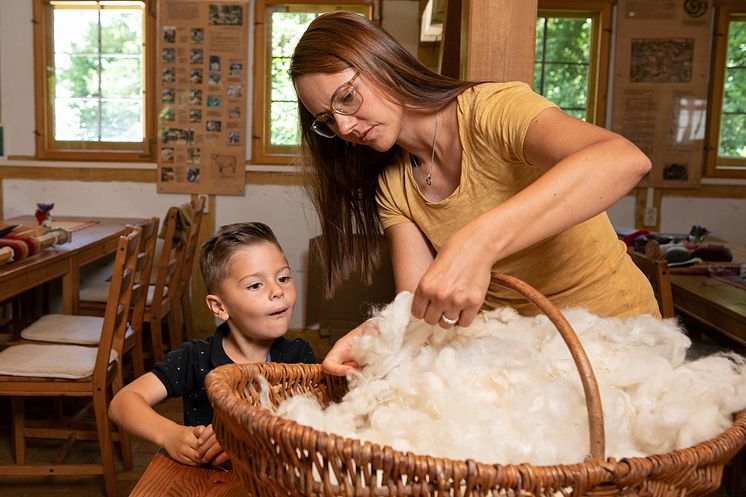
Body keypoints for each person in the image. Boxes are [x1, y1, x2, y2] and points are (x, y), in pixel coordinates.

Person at [290, 11, 660, 376]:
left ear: (382, 62)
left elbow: (623, 160)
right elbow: (420, 311)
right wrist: (372, 338)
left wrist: (477, 243)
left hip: (618, 342)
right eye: (327, 120)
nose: (344, 126)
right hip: (521, 361)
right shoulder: (394, 186)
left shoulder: (492, 111)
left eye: (348, 97)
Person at [109, 222, 316, 465]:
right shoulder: (196, 358)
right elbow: (122, 402)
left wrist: (245, 436)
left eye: (283, 278)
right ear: (219, 307)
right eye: (255, 285)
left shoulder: (299, 356)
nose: (277, 291)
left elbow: (313, 428)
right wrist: (168, 434)